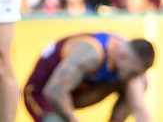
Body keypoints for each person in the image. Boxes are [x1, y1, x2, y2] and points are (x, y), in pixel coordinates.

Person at [23, 33, 155, 122]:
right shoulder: (92, 54)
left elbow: (138, 107)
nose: (135, 77)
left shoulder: (129, 63)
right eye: (134, 72)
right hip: (44, 93)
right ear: (122, 56)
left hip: (74, 90)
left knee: (140, 82)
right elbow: (53, 92)